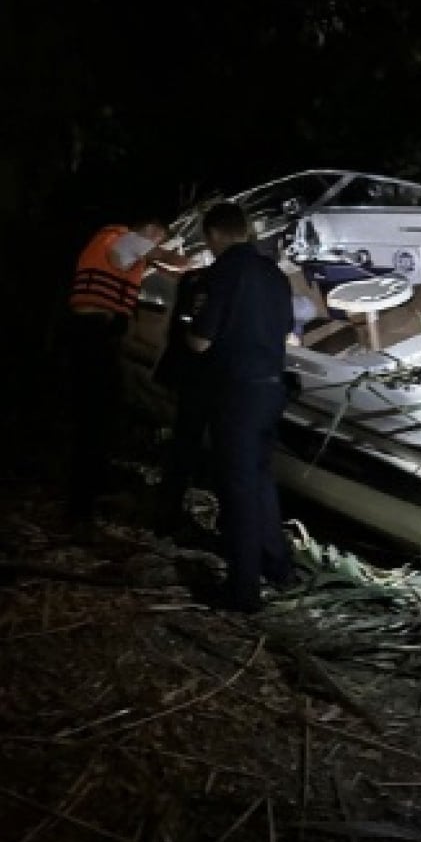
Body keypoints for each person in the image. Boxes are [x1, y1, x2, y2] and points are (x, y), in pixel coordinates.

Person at [187, 201, 295, 612]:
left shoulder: (221, 273)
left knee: (236, 488)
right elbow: (285, 331)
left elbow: (201, 340)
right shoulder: (275, 275)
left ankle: (243, 589)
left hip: (236, 391)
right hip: (273, 388)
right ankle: (279, 567)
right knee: (261, 478)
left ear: (214, 234)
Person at [66, 216, 189, 525]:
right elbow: (150, 255)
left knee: (104, 410)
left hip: (98, 336)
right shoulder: (118, 237)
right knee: (95, 415)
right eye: (158, 238)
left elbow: (150, 268)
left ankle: (90, 489)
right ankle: (81, 503)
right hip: (91, 334)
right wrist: (181, 260)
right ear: (149, 230)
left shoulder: (126, 250)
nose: (157, 245)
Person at [151, 264, 213, 539]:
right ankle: (170, 515)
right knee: (188, 444)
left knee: (183, 443)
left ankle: (167, 510)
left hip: (185, 371)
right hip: (201, 375)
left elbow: (173, 326)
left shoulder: (192, 280)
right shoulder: (212, 283)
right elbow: (200, 338)